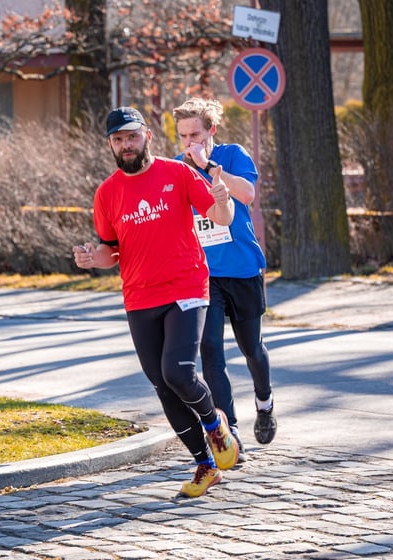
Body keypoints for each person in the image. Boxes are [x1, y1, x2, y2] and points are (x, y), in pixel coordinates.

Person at [73, 106, 239, 498]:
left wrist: (223, 199)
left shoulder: (177, 173)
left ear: (147, 136)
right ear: (110, 145)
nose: (126, 145)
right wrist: (91, 259)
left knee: (178, 373)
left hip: (186, 286)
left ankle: (214, 423)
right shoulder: (107, 193)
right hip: (139, 296)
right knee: (163, 386)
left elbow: (222, 216)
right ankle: (205, 464)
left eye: (132, 136)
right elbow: (110, 250)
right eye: (118, 139)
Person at [172, 97, 277, 459]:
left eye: (196, 135)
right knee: (211, 354)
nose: (190, 143)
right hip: (204, 275)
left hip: (243, 268)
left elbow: (246, 194)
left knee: (252, 349)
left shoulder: (232, 156)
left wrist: (209, 167)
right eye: (184, 136)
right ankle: (229, 433)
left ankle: (264, 403)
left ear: (211, 130)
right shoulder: (177, 168)